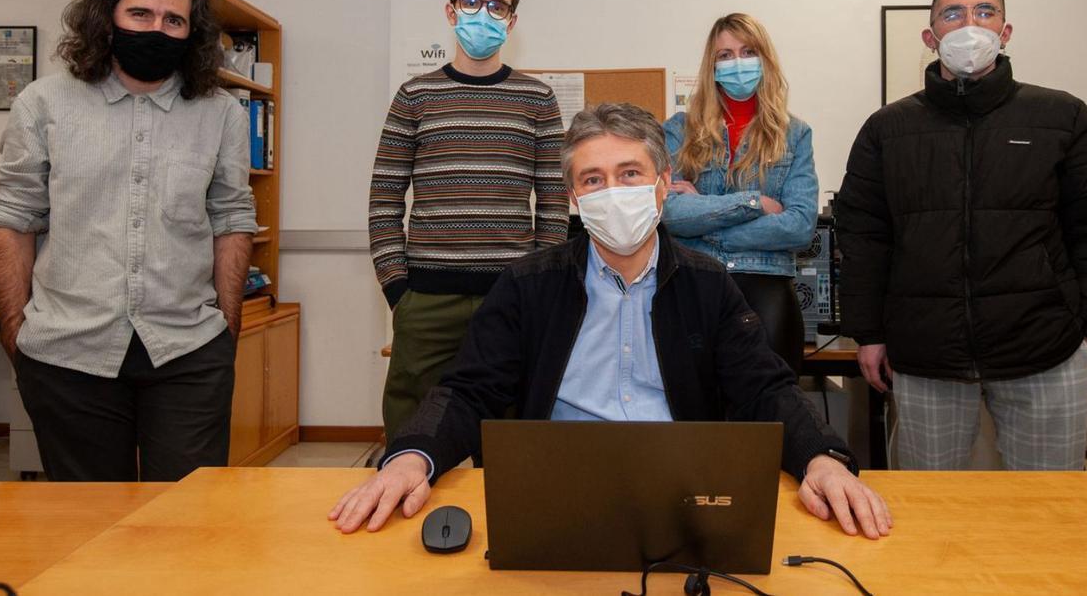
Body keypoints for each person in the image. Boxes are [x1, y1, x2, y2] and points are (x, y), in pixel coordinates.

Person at [334, 103, 892, 540]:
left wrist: (822, 457)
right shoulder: (530, 284)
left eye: (630, 173)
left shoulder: (706, 283)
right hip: (554, 484)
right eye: (594, 179)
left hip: (680, 488)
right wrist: (412, 456)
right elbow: (469, 389)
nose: (614, 192)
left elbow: (765, 388)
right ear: (574, 196)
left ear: (661, 184)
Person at [835, 0, 1087, 471]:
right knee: (931, 517)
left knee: (1050, 514)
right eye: (953, 14)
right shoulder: (888, 129)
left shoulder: (1063, 117)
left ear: (1006, 31)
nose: (969, 24)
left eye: (984, 12)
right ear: (931, 38)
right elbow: (864, 238)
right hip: (927, 354)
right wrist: (867, 332)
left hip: (1045, 351)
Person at [0, 0, 257, 482]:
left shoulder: (220, 112)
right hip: (68, 354)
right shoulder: (43, 103)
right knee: (89, 530)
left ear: (191, 32)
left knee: (188, 519)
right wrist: (16, 332)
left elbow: (231, 218)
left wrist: (225, 331)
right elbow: (11, 218)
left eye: (173, 20)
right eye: (141, 14)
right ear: (106, 17)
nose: (157, 28)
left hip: (187, 352)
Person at [368, 0, 568, 441]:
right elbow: (384, 201)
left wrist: (535, 285)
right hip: (426, 298)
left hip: (511, 294)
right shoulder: (414, 96)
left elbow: (555, 203)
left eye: (497, 6)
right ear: (452, 11)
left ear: (512, 20)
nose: (484, 13)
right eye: (472, 1)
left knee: (509, 437)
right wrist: (399, 291)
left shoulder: (537, 98)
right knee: (413, 430)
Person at [662, 13, 818, 373]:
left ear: (765, 59)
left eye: (748, 52)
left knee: (768, 416)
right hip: (694, 286)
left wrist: (703, 221)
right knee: (697, 418)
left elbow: (799, 226)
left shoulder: (794, 134)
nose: (738, 63)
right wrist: (754, 203)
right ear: (711, 66)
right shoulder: (678, 130)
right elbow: (669, 213)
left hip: (766, 290)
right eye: (725, 55)